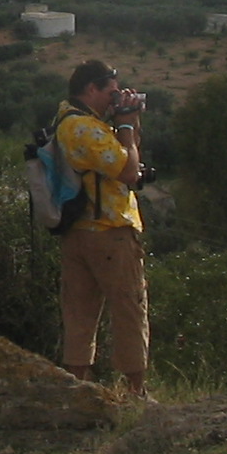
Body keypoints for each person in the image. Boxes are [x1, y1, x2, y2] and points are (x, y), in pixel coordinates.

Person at [56, 58, 150, 397]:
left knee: (79, 314)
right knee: (129, 309)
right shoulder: (85, 128)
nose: (115, 97)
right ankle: (135, 392)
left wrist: (128, 123)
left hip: (76, 231)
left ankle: (75, 389)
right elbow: (128, 172)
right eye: (111, 90)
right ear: (91, 89)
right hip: (109, 231)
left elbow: (131, 159)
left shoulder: (66, 118)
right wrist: (124, 125)